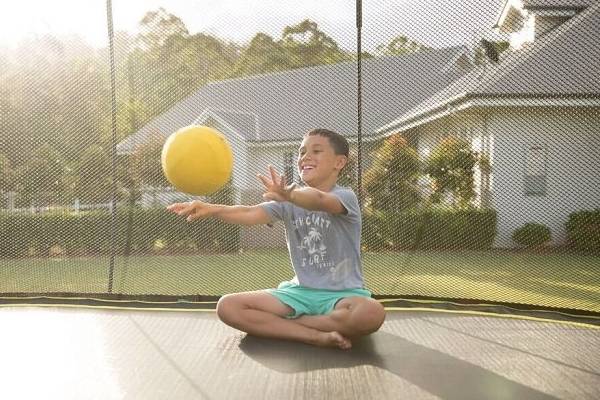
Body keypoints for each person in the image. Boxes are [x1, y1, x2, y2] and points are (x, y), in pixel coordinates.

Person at [167, 128, 385, 349]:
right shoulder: (287, 201)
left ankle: (291, 324)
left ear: (339, 163)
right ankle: (315, 335)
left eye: (316, 151)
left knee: (371, 313)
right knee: (227, 307)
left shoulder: (345, 197)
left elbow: (319, 200)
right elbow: (249, 213)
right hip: (299, 293)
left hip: (343, 295)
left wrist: (290, 195)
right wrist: (212, 208)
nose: (305, 157)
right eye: (301, 152)